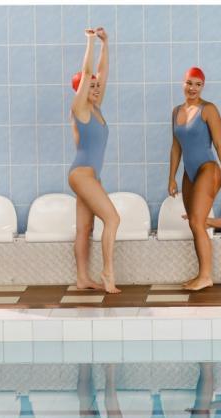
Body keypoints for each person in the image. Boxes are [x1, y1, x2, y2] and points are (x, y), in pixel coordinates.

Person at [168, 67, 221, 291]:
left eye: (198, 84)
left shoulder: (209, 109)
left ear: (203, 86)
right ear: (183, 83)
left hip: (208, 169)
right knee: (194, 223)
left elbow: (219, 144)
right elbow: (176, 147)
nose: (193, 88)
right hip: (189, 172)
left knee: (198, 222)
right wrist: (172, 178)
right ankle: (202, 274)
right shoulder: (176, 111)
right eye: (189, 83)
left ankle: (206, 276)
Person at [68, 27, 121, 293]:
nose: (97, 87)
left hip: (90, 176)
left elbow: (101, 73)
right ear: (81, 89)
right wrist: (89, 41)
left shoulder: (96, 109)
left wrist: (105, 43)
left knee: (85, 228)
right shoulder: (80, 108)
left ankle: (81, 279)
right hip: (81, 174)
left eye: (98, 87)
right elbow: (89, 73)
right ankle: (107, 273)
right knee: (112, 219)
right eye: (92, 86)